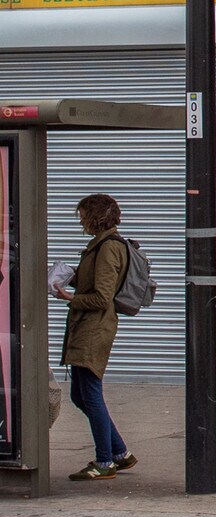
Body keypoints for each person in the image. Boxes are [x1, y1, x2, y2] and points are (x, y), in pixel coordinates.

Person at [56, 193, 136, 482]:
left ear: (95, 216)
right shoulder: (101, 245)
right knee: (80, 394)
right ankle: (119, 453)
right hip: (88, 327)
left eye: (83, 215)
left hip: (94, 329)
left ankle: (105, 461)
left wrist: (69, 297)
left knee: (90, 394)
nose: (80, 221)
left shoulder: (108, 248)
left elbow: (102, 297)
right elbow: (97, 281)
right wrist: (72, 277)